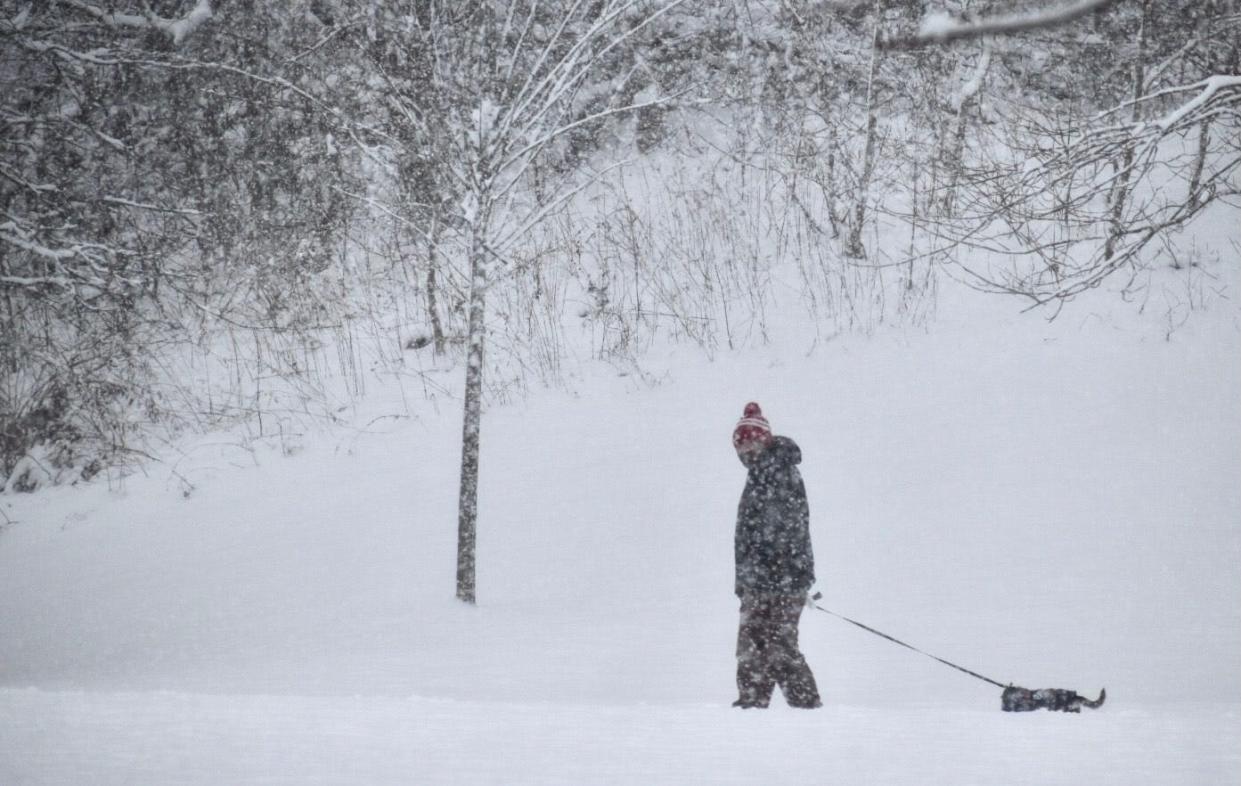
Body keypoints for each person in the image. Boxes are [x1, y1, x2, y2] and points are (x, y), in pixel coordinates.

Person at [731, 402, 822, 709]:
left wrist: (779, 575)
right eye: (740, 448)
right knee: (753, 646)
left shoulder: (778, 472)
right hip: (760, 581)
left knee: (778, 647)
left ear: (764, 440)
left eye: (750, 444)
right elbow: (749, 536)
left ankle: (806, 709)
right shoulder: (760, 474)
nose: (745, 453)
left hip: (781, 580)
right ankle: (751, 705)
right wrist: (745, 581)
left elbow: (785, 531)